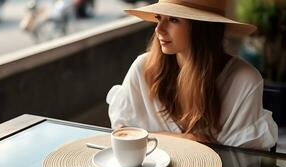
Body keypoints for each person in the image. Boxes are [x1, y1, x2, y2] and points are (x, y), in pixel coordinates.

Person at [106, 0, 278, 150]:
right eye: (159, 17)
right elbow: (122, 135)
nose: (159, 29)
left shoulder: (244, 81)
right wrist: (185, 140)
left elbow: (237, 165)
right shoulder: (142, 68)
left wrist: (157, 138)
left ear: (203, 28)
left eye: (173, 19)